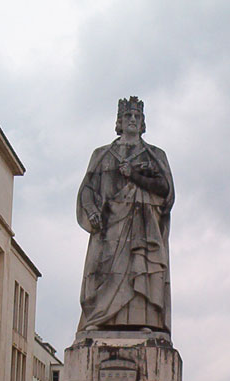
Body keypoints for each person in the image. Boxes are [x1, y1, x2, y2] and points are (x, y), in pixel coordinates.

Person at [77, 96, 175, 333]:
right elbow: (87, 189)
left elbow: (166, 190)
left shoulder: (154, 155)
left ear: (142, 122)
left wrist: (135, 176)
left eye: (137, 116)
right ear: (119, 121)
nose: (132, 119)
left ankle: (145, 321)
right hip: (109, 224)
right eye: (128, 116)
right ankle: (98, 318)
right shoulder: (102, 154)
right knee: (102, 270)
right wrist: (91, 210)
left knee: (142, 268)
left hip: (143, 224)